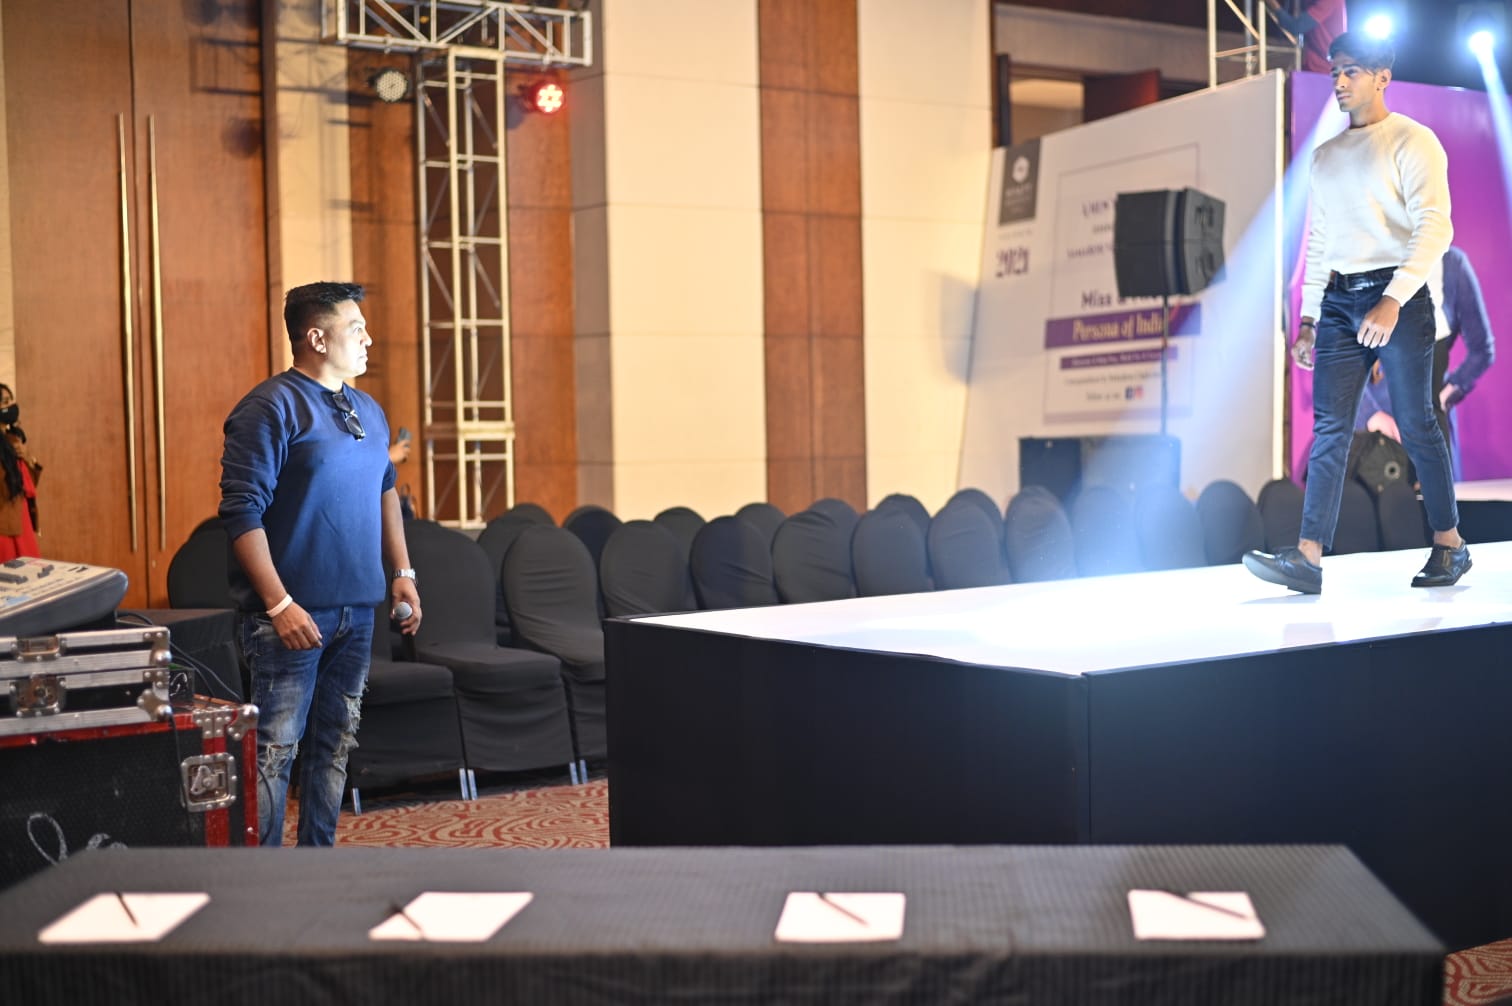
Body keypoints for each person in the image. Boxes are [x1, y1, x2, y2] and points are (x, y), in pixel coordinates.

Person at [1245, 32, 1468, 594]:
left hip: (1399, 297)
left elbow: (1436, 227)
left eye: (1351, 71)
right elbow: (1321, 243)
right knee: (1329, 427)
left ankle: (1449, 544)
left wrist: (1393, 298)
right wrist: (1308, 319)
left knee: (1416, 422)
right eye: (1334, 72)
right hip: (1340, 303)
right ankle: (1308, 557)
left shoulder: (1414, 140)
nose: (1339, 82)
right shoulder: (1326, 157)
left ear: (1382, 77)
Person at [219, 282, 422, 846]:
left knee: (334, 747)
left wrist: (403, 573)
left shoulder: (368, 409)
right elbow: (240, 513)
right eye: (356, 329)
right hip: (290, 617)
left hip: (357, 613)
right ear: (316, 338)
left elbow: (385, 489)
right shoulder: (269, 407)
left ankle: (316, 863)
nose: (368, 339)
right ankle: (261, 877)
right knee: (274, 752)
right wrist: (279, 604)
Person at [1355, 246, 1495, 479]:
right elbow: (1337, 355)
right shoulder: (1369, 258)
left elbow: (1482, 350)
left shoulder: (1451, 264)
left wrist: (1445, 395)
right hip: (1378, 423)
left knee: (1437, 495)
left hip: (1430, 418)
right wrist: (1370, 414)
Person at [1264, 0, 1346, 75]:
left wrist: (1273, 4)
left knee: (1261, 53)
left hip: (1321, 64)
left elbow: (1296, 27)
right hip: (1312, 57)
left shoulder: (1330, 1)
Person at [0, 432, 39, 561]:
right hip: (8, 526)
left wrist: (28, 459)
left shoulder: (12, 441)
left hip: (18, 520)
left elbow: (29, 486)